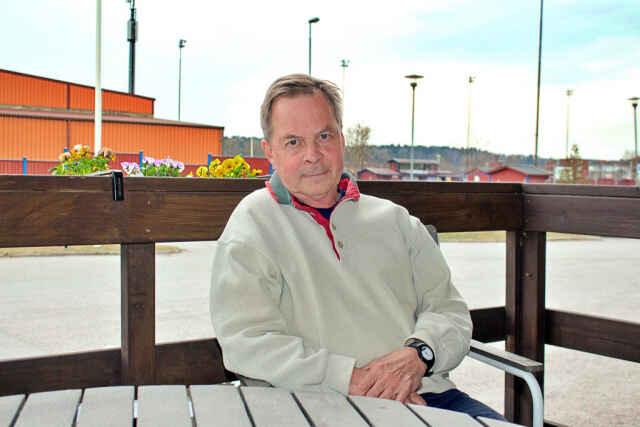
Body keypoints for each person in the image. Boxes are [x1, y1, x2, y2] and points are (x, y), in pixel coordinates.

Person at [210, 73, 506, 421]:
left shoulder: (396, 220)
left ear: (341, 139)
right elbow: (247, 341)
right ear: (269, 152)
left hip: (427, 395)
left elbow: (449, 311)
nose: (312, 155)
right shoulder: (253, 225)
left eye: (324, 136)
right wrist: (356, 380)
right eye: (293, 142)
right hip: (316, 408)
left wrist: (419, 355)